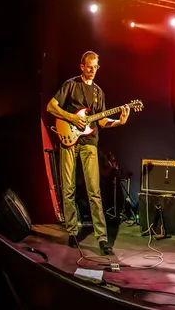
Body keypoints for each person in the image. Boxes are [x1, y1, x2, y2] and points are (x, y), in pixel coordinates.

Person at [47, 51, 130, 255]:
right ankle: (73, 231)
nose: (93, 71)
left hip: (90, 142)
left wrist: (119, 121)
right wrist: (71, 118)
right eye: (89, 67)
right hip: (69, 140)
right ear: (82, 66)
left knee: (94, 191)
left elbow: (101, 120)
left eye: (96, 67)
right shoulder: (71, 84)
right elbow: (51, 106)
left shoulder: (98, 93)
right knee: (68, 188)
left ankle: (102, 238)